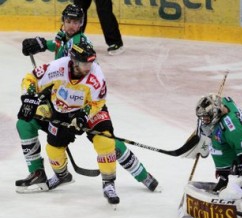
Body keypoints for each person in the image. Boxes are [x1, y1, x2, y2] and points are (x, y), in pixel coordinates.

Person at [17, 4, 158, 193]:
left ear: (82, 23)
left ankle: (141, 174)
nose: (71, 26)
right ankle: (37, 172)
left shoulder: (79, 44)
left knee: (105, 139)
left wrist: (40, 96)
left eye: (76, 22)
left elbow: (64, 69)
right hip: (62, 101)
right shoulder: (65, 37)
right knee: (26, 124)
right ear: (63, 21)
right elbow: (58, 48)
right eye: (68, 21)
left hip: (84, 101)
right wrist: (43, 44)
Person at [17, 41, 123, 204]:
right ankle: (62, 175)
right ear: (73, 61)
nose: (88, 67)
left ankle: (109, 183)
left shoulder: (96, 76)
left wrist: (83, 116)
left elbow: (97, 102)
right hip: (62, 110)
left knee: (105, 140)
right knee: (53, 149)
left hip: (90, 108)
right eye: (84, 63)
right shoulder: (58, 67)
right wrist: (30, 96)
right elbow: (31, 77)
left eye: (90, 63)